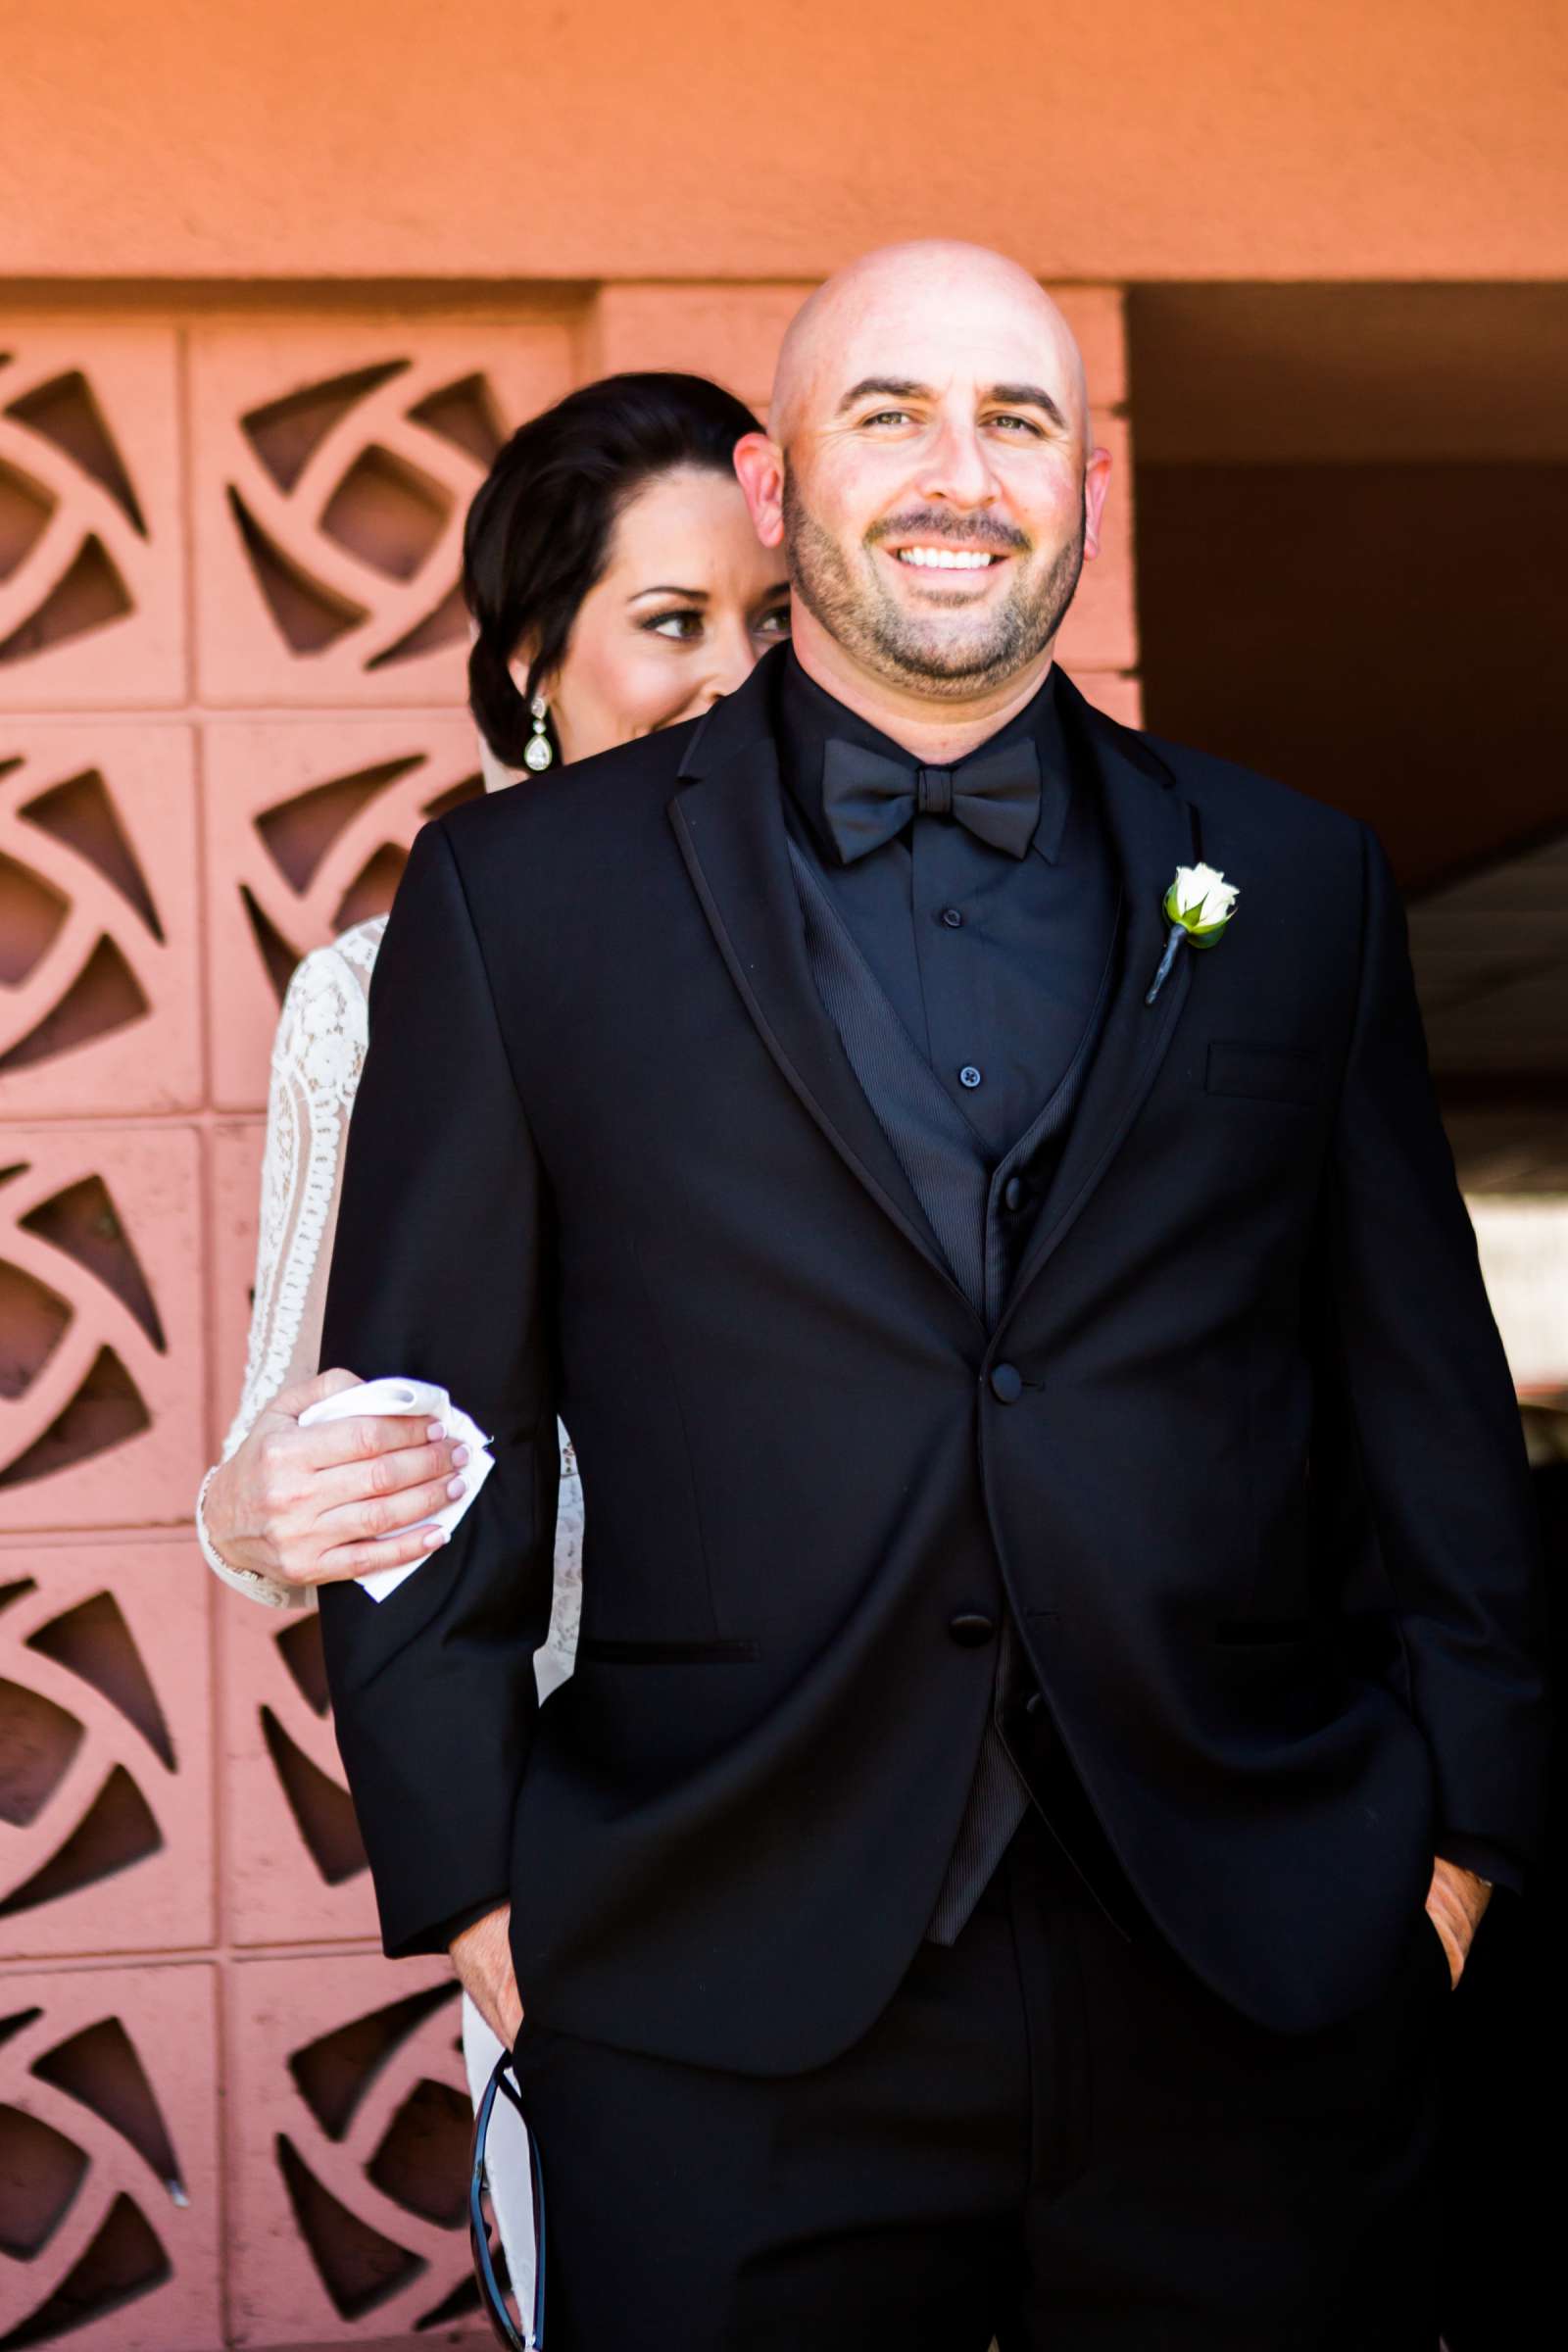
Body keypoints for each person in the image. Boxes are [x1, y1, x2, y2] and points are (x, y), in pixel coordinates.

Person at [314, 243, 1548, 2350]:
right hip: (714, 1986)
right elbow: (438, 1434)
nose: (956, 474)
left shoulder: (1292, 879)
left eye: (1019, 422)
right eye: (887, 414)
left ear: (1087, 493)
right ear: (775, 491)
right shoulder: (522, 902)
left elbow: (1419, 1401)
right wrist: (486, 1906)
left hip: (1254, 1973)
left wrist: (1448, 1861)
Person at [192, 368, 789, 2315]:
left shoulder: (899, 952)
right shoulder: (379, 994)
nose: (732, 675)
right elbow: (270, 1465)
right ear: (535, 656)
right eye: (671, 623)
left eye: (771, 625)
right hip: (598, 1849)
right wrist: (272, 1504)